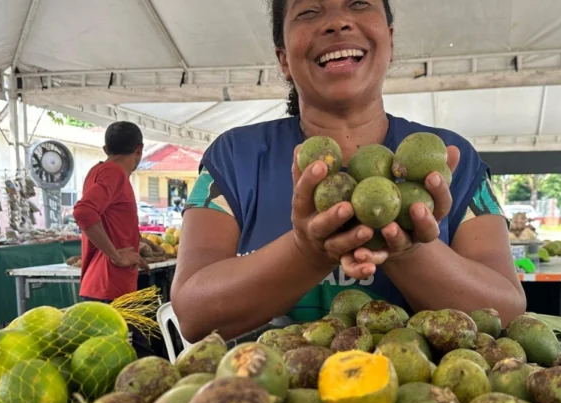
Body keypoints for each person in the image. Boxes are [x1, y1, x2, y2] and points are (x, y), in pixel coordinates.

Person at [171, 0, 525, 342]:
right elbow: (193, 312)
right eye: (309, 11)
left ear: (389, 39)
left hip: (424, 401)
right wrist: (305, 252)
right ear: (283, 59)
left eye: (358, 3)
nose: (337, 22)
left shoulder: (451, 160)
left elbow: (507, 310)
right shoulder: (235, 158)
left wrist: (409, 249)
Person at [73, 121, 152, 354]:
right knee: (140, 358)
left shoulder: (99, 172)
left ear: (106, 149)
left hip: (109, 285)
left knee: (129, 357)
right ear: (139, 150)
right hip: (110, 287)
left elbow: (111, 222)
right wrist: (116, 256)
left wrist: (135, 252)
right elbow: (83, 212)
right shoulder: (113, 173)